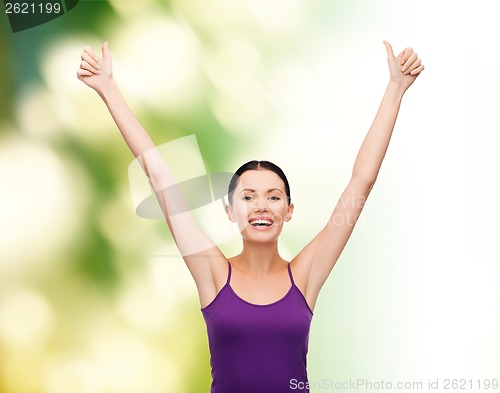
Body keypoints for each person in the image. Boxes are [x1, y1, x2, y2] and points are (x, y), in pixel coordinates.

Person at [77, 40, 424, 393]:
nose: (261, 206)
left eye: (273, 197)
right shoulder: (211, 272)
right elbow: (158, 175)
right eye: (248, 197)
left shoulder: (305, 274)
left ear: (288, 211)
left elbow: (361, 181)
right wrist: (108, 88)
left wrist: (395, 89)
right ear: (230, 211)